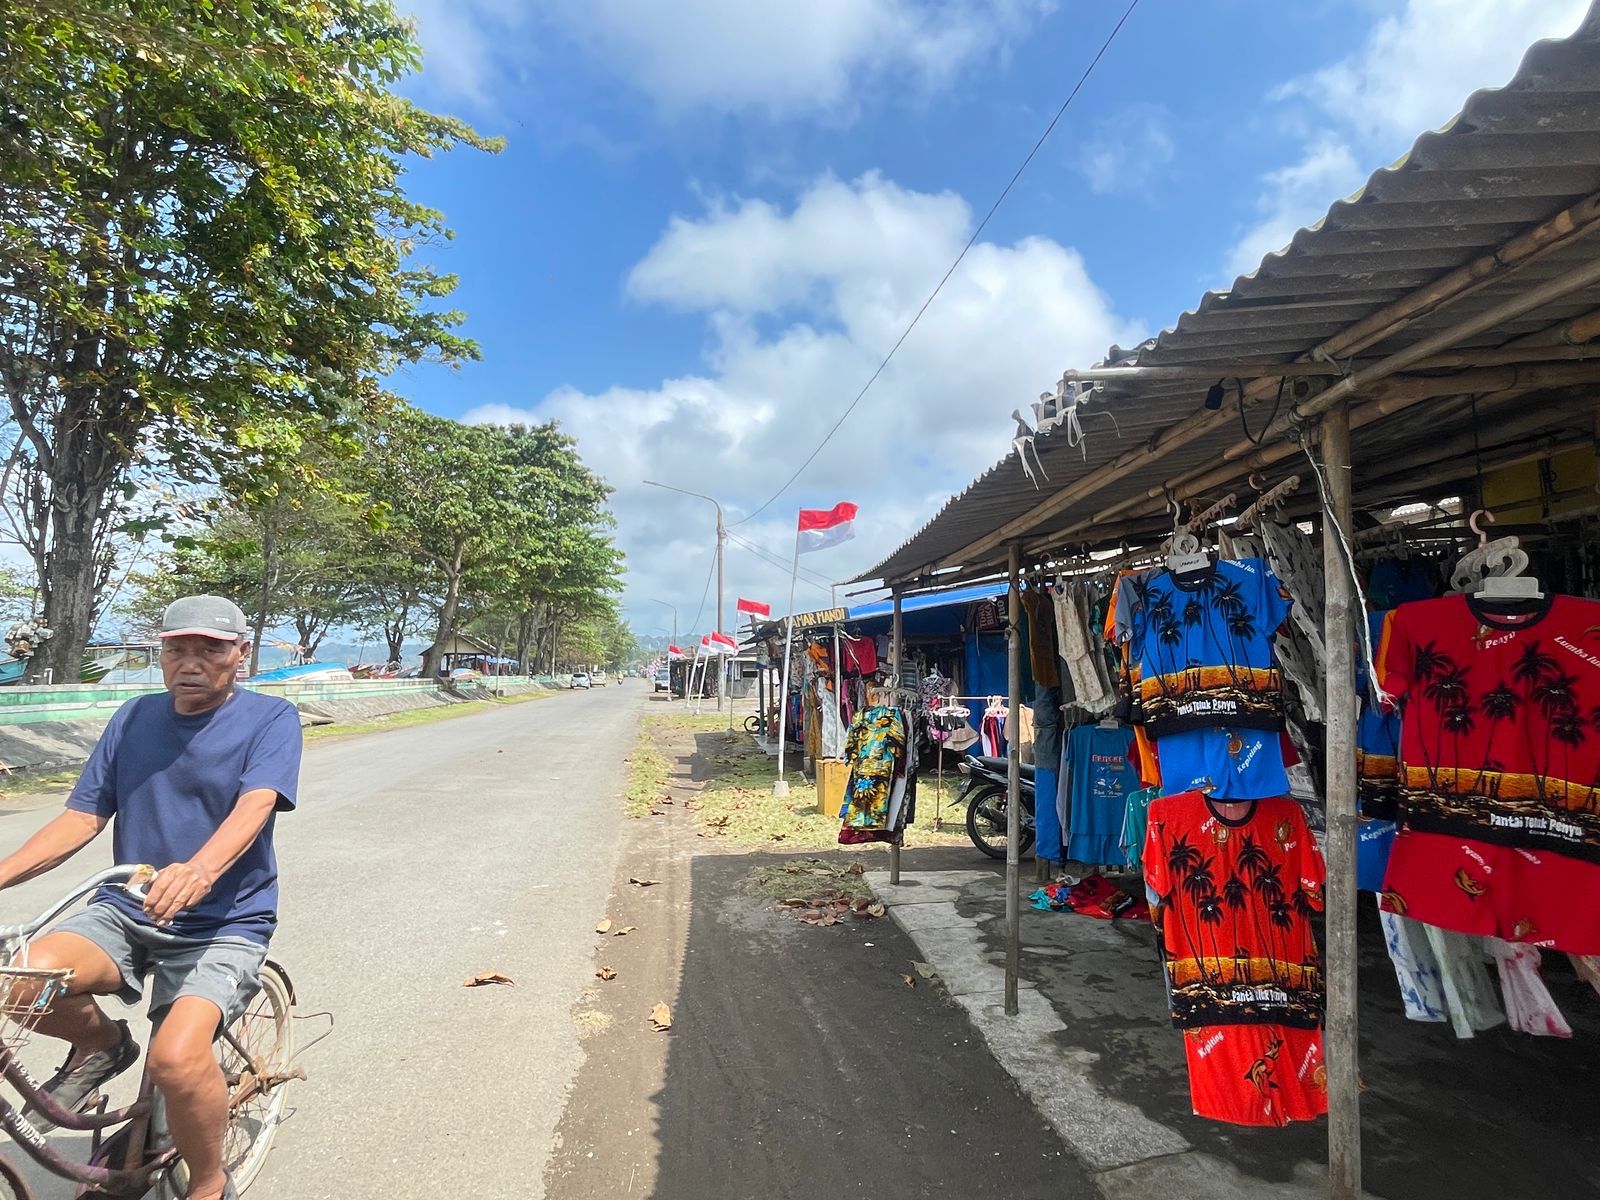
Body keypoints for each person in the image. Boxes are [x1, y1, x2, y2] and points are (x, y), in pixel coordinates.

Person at [0, 595, 301, 1200]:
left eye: (211, 649)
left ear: (241, 656)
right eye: (177, 648)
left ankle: (210, 1184)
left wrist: (200, 869)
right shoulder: (134, 718)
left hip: (223, 923)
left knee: (175, 1060)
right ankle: (101, 1044)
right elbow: (82, 817)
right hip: (128, 908)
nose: (192, 662)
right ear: (159, 655)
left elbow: (257, 803)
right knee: (18, 980)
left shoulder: (271, 719)